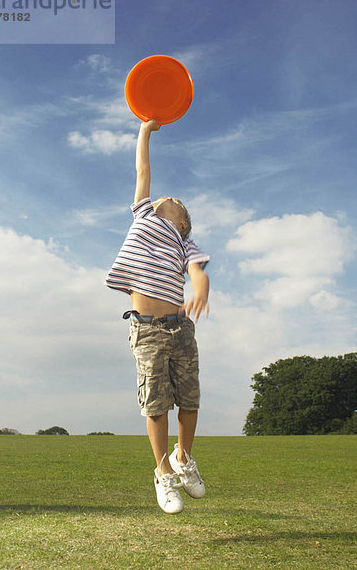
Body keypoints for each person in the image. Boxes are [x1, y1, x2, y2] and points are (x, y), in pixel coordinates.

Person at [105, 119, 210, 514]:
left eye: (174, 200)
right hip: (146, 330)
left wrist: (200, 287)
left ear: (183, 221)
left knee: (190, 400)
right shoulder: (143, 217)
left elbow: (198, 270)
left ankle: (184, 458)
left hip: (180, 328)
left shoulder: (185, 242)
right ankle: (163, 472)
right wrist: (145, 132)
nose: (165, 197)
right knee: (155, 405)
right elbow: (142, 170)